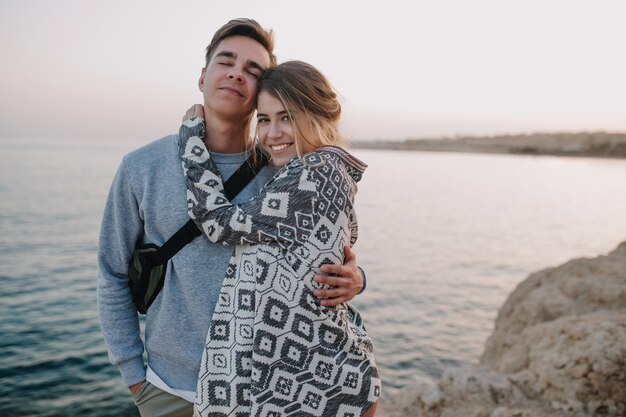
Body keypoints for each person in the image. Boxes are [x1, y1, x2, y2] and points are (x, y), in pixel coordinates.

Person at [97, 19, 366, 417]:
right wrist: (134, 376)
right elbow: (112, 272)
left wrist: (356, 279)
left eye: (253, 70)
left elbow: (334, 250)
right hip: (169, 388)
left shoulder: (286, 169)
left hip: (264, 392)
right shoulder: (142, 167)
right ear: (204, 76)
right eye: (226, 61)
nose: (237, 72)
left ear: (262, 89)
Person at [178, 60, 380, 417]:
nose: (272, 134)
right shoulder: (311, 170)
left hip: (315, 387)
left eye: (286, 116)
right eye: (264, 119)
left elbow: (218, 222)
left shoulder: (317, 172)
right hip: (314, 381)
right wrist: (358, 279)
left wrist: (192, 136)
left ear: (320, 115)